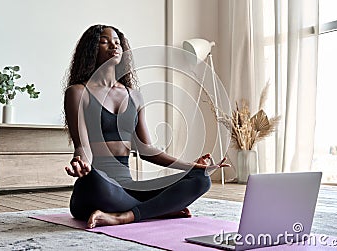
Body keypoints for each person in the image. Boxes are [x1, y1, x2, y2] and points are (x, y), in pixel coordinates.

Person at [63, 24, 229, 229]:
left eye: (117, 42)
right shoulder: (78, 93)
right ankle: (158, 209)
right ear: (91, 50)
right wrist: (81, 161)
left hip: (128, 189)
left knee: (201, 180)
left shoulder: (135, 96)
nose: (113, 46)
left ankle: (125, 216)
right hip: (98, 186)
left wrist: (193, 166)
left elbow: (146, 150)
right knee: (95, 183)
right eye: (104, 42)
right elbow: (83, 145)